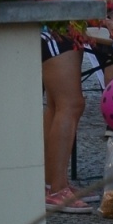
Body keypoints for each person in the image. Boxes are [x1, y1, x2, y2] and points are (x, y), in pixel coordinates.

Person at [42, 26, 90, 213]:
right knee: (70, 104)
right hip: (56, 25)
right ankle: (57, 189)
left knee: (57, 106)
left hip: (64, 25)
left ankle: (51, 184)